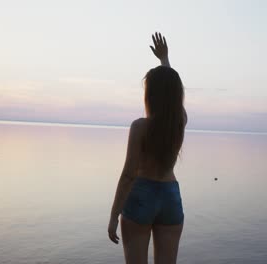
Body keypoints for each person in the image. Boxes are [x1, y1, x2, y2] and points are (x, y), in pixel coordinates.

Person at [108, 32, 187, 264]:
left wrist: (113, 217)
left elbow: (128, 175)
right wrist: (165, 60)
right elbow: (173, 94)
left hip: (141, 195)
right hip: (171, 197)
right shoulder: (179, 122)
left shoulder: (140, 127)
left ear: (150, 95)